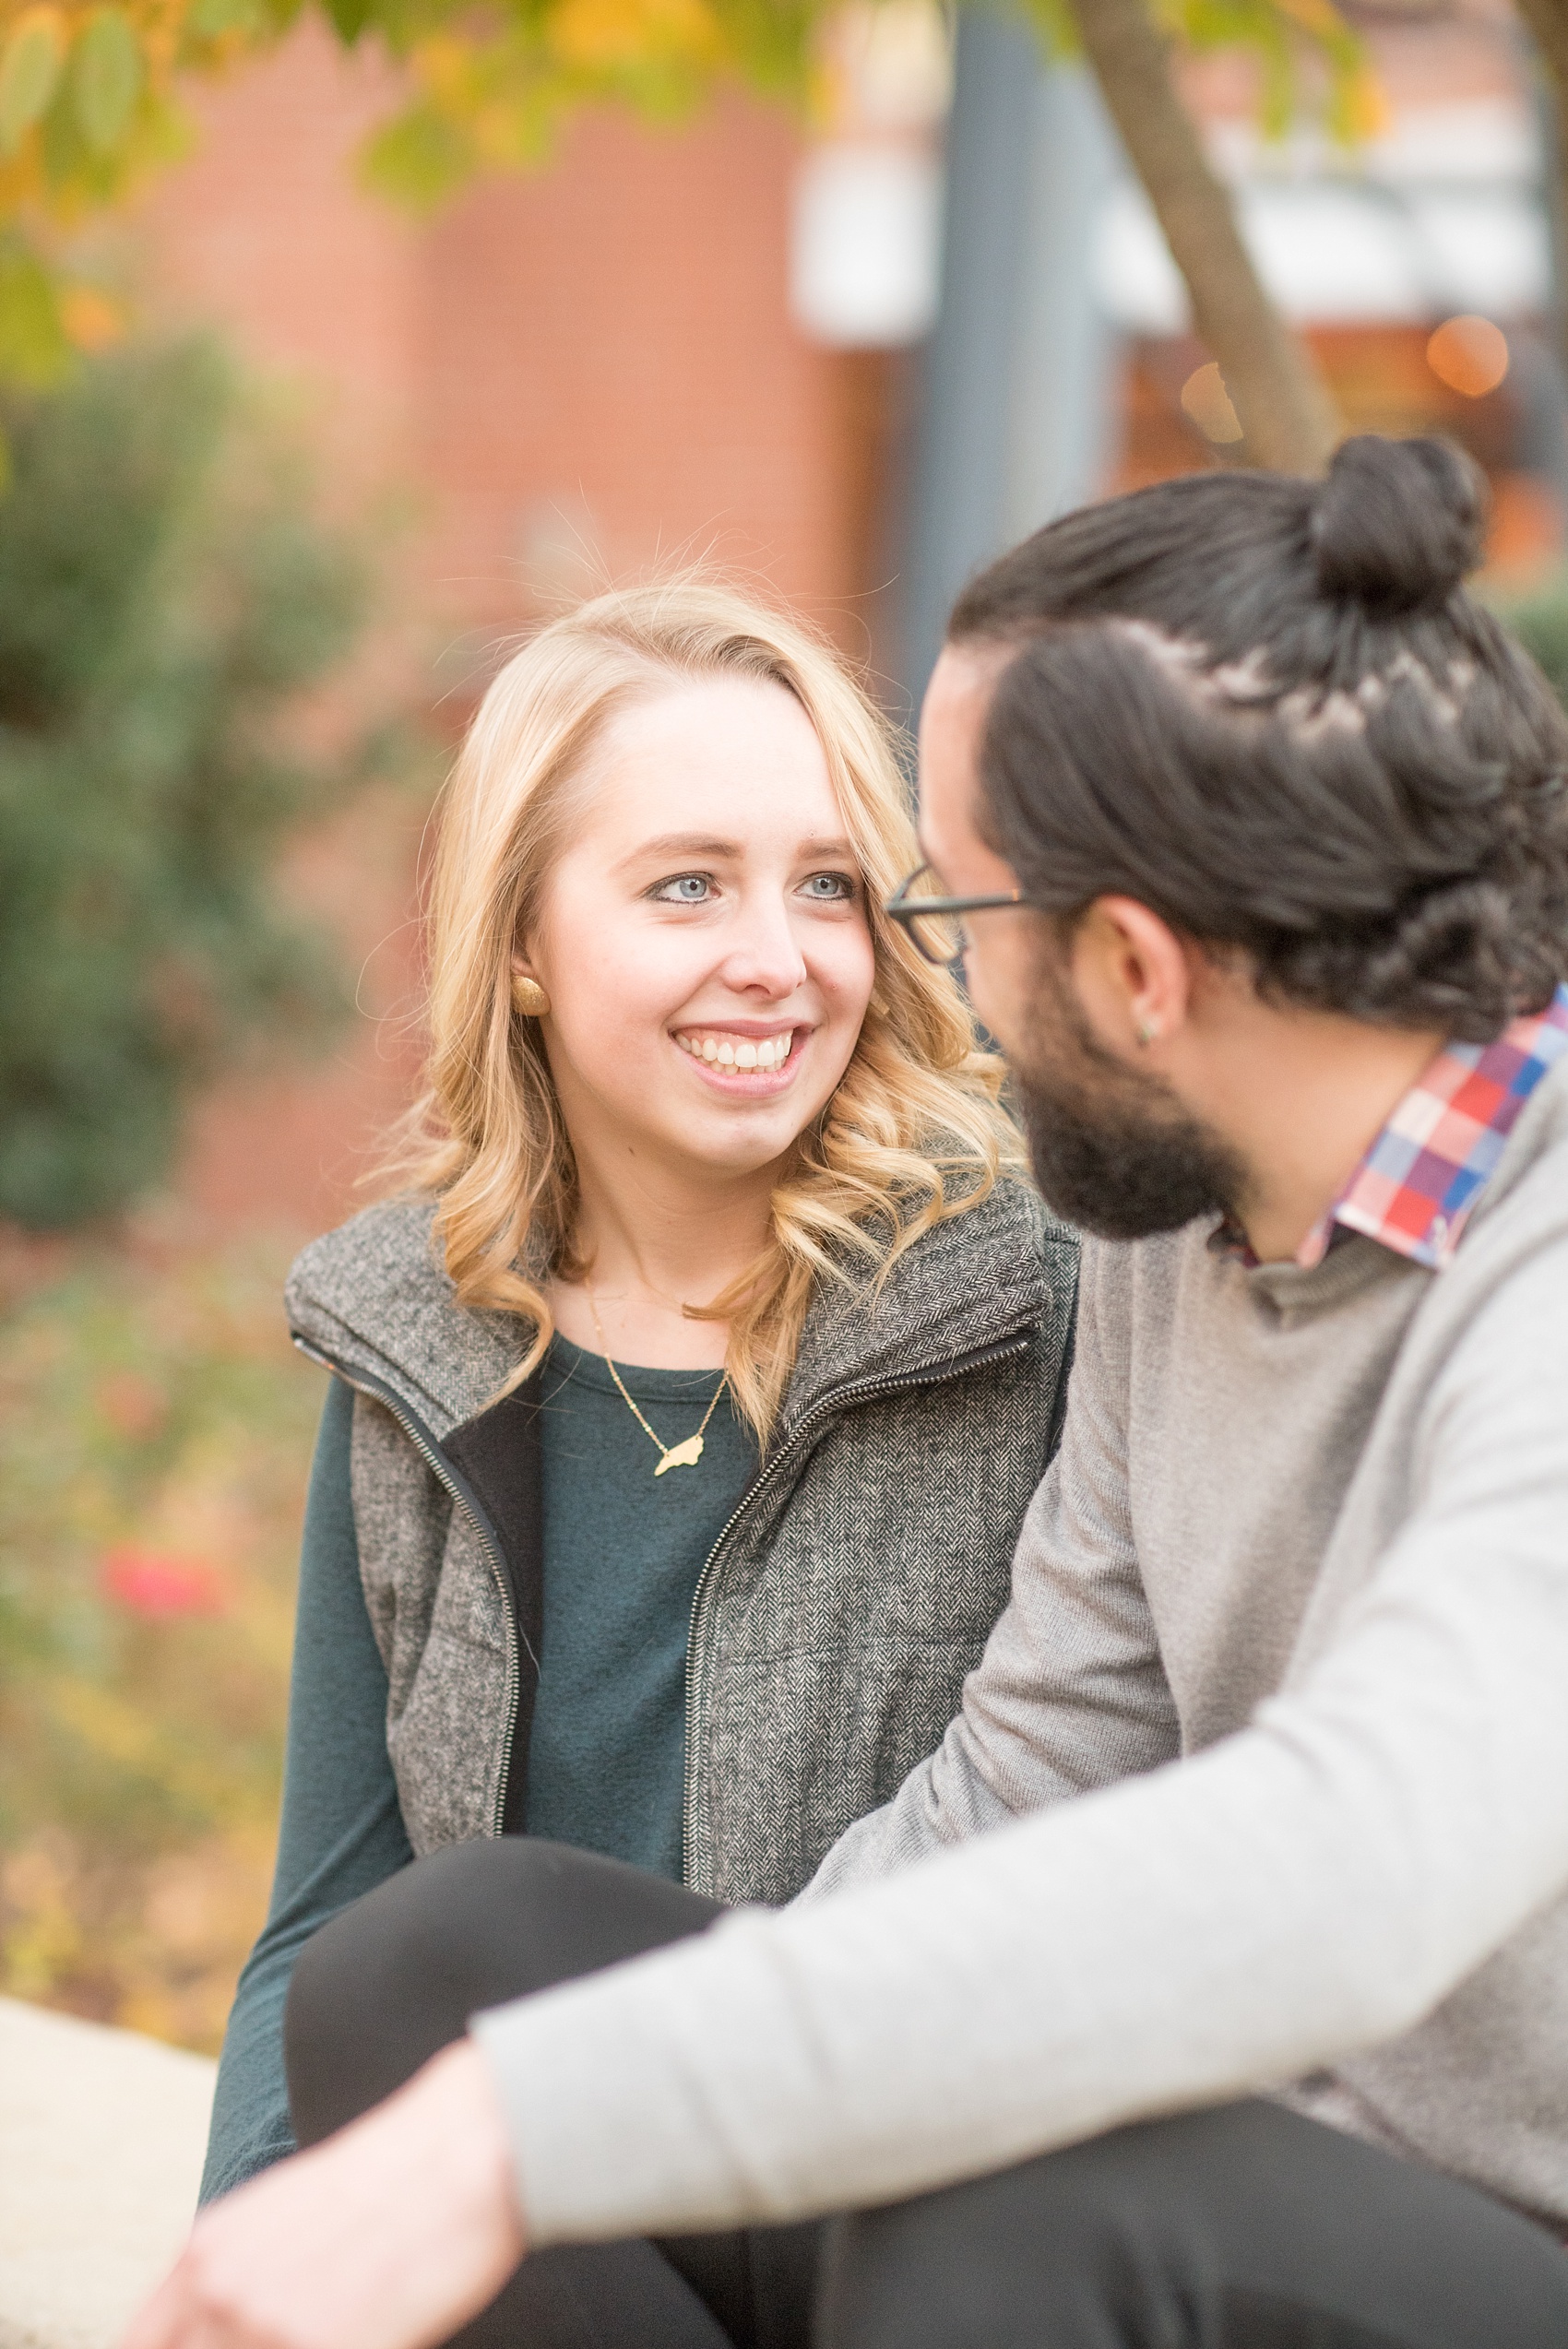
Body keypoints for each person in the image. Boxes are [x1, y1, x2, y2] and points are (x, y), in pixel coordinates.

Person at [133, 434, 1568, 2349]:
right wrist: (583, 2100)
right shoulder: (1168, 1224)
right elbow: (1022, 1772)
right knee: (455, 1963)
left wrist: (528, 2132)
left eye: (939, 919)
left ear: (1133, 966)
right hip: (1214, 2160)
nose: (912, 1002)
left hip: (1490, 2222)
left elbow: (1361, 1857)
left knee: (1002, 2187)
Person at [196, 578, 1078, 2213]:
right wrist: (251, 2252)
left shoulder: (1034, 1304)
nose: (778, 961)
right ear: (522, 946)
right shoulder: (412, 1341)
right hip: (559, 2218)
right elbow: (326, 1920)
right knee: (400, 1979)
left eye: (828, 887)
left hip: (922, 2203)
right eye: (687, 887)